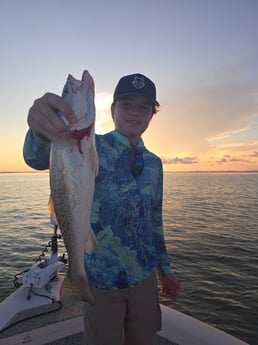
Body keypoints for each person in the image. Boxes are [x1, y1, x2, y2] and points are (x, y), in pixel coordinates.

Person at [23, 72, 183, 345]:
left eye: (143, 107)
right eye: (126, 104)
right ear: (112, 110)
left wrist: (164, 270)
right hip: (100, 279)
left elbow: (155, 221)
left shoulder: (155, 163)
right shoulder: (88, 144)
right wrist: (40, 129)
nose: (134, 113)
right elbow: (36, 158)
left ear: (151, 115)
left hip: (144, 278)